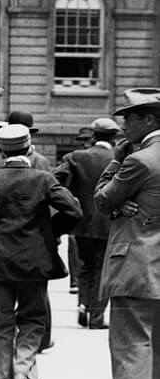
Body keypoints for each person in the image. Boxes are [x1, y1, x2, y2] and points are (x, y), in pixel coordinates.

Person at [0, 123, 81, 379]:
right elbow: (74, 210)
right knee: (32, 320)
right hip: (35, 261)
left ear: (1, 150)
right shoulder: (43, 178)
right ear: (29, 148)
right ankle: (22, 365)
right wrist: (50, 231)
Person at [89, 89, 160, 379]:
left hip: (136, 260)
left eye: (130, 117)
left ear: (150, 119)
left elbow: (102, 198)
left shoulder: (138, 160)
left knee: (131, 341)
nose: (124, 124)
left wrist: (117, 160)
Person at [58, 117, 119, 329]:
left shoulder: (76, 157)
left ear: (93, 136)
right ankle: (96, 317)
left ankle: (83, 306)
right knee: (102, 270)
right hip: (109, 224)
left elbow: (57, 181)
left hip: (81, 222)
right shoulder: (119, 157)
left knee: (85, 266)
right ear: (115, 137)